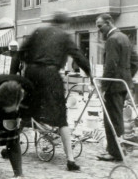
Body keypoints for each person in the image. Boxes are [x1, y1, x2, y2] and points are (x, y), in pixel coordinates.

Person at [12, 12, 92, 171]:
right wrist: (89, 73)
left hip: (31, 73)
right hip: (50, 75)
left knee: (25, 110)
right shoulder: (64, 36)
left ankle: (10, 147)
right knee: (61, 117)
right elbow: (78, 55)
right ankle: (70, 160)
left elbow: (19, 53)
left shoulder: (38, 31)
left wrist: (13, 74)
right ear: (64, 24)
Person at [95, 14, 138, 161]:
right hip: (122, 84)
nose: (99, 29)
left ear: (108, 23)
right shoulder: (124, 37)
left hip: (113, 85)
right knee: (118, 117)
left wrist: (103, 86)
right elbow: (135, 61)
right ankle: (119, 149)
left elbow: (110, 65)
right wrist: (127, 77)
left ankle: (115, 152)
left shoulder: (112, 39)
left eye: (100, 26)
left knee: (111, 119)